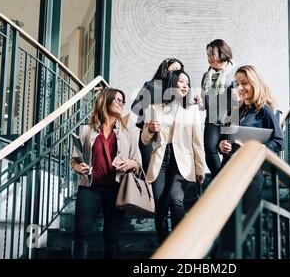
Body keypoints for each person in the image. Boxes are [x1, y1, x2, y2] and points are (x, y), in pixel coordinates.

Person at [217, 65, 285, 257]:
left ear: (254, 83)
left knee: (245, 225)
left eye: (244, 83)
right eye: (237, 83)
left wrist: (259, 149)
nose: (240, 87)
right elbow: (226, 139)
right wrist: (223, 146)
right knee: (227, 224)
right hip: (229, 170)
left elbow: (279, 141)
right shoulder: (238, 110)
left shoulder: (265, 110)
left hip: (250, 174)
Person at [70, 88, 142, 259]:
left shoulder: (129, 132)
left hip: (117, 189)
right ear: (105, 100)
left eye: (123, 101)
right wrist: (81, 168)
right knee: (81, 233)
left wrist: (129, 164)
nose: (121, 103)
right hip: (89, 188)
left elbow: (138, 163)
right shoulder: (86, 131)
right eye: (117, 99)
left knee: (111, 236)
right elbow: (74, 161)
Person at [141, 70, 205, 244]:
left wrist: (200, 168)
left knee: (175, 199)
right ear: (172, 82)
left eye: (187, 83)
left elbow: (197, 141)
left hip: (182, 162)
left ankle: (180, 244)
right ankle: (164, 245)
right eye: (181, 81)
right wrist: (150, 130)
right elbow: (145, 140)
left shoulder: (191, 109)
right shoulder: (155, 108)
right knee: (160, 208)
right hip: (160, 161)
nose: (185, 86)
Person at [199, 39, 237, 179]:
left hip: (230, 119)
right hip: (212, 118)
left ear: (223, 53)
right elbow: (204, 101)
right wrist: (199, 102)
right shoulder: (206, 76)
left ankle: (229, 182)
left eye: (212, 54)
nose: (209, 58)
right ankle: (219, 180)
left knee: (229, 152)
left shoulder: (234, 73)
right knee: (210, 149)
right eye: (207, 55)